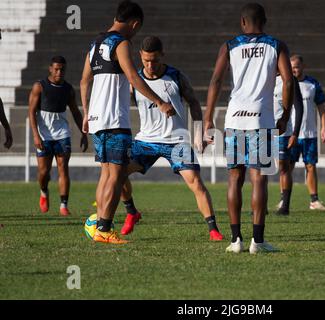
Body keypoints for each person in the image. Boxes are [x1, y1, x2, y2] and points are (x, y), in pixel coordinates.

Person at [80, 0, 175, 244]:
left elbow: (83, 81)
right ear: (134, 24)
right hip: (114, 119)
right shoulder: (121, 43)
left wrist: (86, 113)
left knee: (106, 173)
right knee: (116, 174)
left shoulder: (94, 43)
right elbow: (133, 76)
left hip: (97, 119)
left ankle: (98, 225)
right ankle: (104, 228)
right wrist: (160, 102)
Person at [204, 3, 294, 254]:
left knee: (234, 178)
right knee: (259, 180)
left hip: (234, 120)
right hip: (261, 121)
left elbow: (216, 80)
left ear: (243, 22)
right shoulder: (276, 45)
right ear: (265, 21)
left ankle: (235, 241)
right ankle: (258, 241)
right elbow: (288, 81)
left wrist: (208, 118)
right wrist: (285, 115)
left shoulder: (230, 45)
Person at [119, 36, 223, 241]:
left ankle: (213, 230)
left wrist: (199, 132)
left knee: (196, 183)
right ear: (140, 56)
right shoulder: (135, 81)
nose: (150, 65)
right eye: (146, 60)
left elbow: (193, 103)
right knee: (117, 173)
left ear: (162, 55)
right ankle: (132, 212)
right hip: (146, 141)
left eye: (155, 60)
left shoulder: (176, 76)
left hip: (177, 141)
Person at [28, 56, 88, 216]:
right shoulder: (39, 87)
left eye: (62, 69)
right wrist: (35, 135)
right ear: (50, 68)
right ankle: (43, 191)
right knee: (43, 172)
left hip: (62, 134)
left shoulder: (68, 89)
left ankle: (63, 205)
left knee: (63, 169)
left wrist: (84, 133)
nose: (59, 72)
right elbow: (31, 112)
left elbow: (75, 111)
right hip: (43, 135)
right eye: (56, 69)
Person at [276, 55, 325, 214]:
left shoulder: (312, 84)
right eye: (291, 66)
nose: (294, 69)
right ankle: (283, 200)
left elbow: (321, 106)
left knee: (311, 166)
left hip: (309, 133)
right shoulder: (282, 83)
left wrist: (324, 127)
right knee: (286, 167)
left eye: (297, 66)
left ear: (303, 66)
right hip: (289, 133)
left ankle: (314, 200)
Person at [273, 66, 304, 215]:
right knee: (261, 170)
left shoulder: (290, 80)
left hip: (283, 131)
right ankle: (260, 206)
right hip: (262, 129)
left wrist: (295, 133)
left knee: (283, 167)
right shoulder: (262, 78)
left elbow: (299, 107)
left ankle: (285, 205)